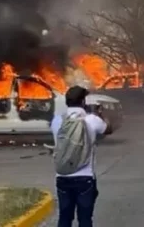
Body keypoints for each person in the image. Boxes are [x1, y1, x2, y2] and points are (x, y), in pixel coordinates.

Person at [51, 85, 107, 227]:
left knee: (64, 217)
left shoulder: (57, 121)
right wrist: (99, 113)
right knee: (85, 219)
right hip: (85, 177)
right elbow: (108, 129)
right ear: (83, 102)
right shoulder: (92, 120)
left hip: (62, 176)